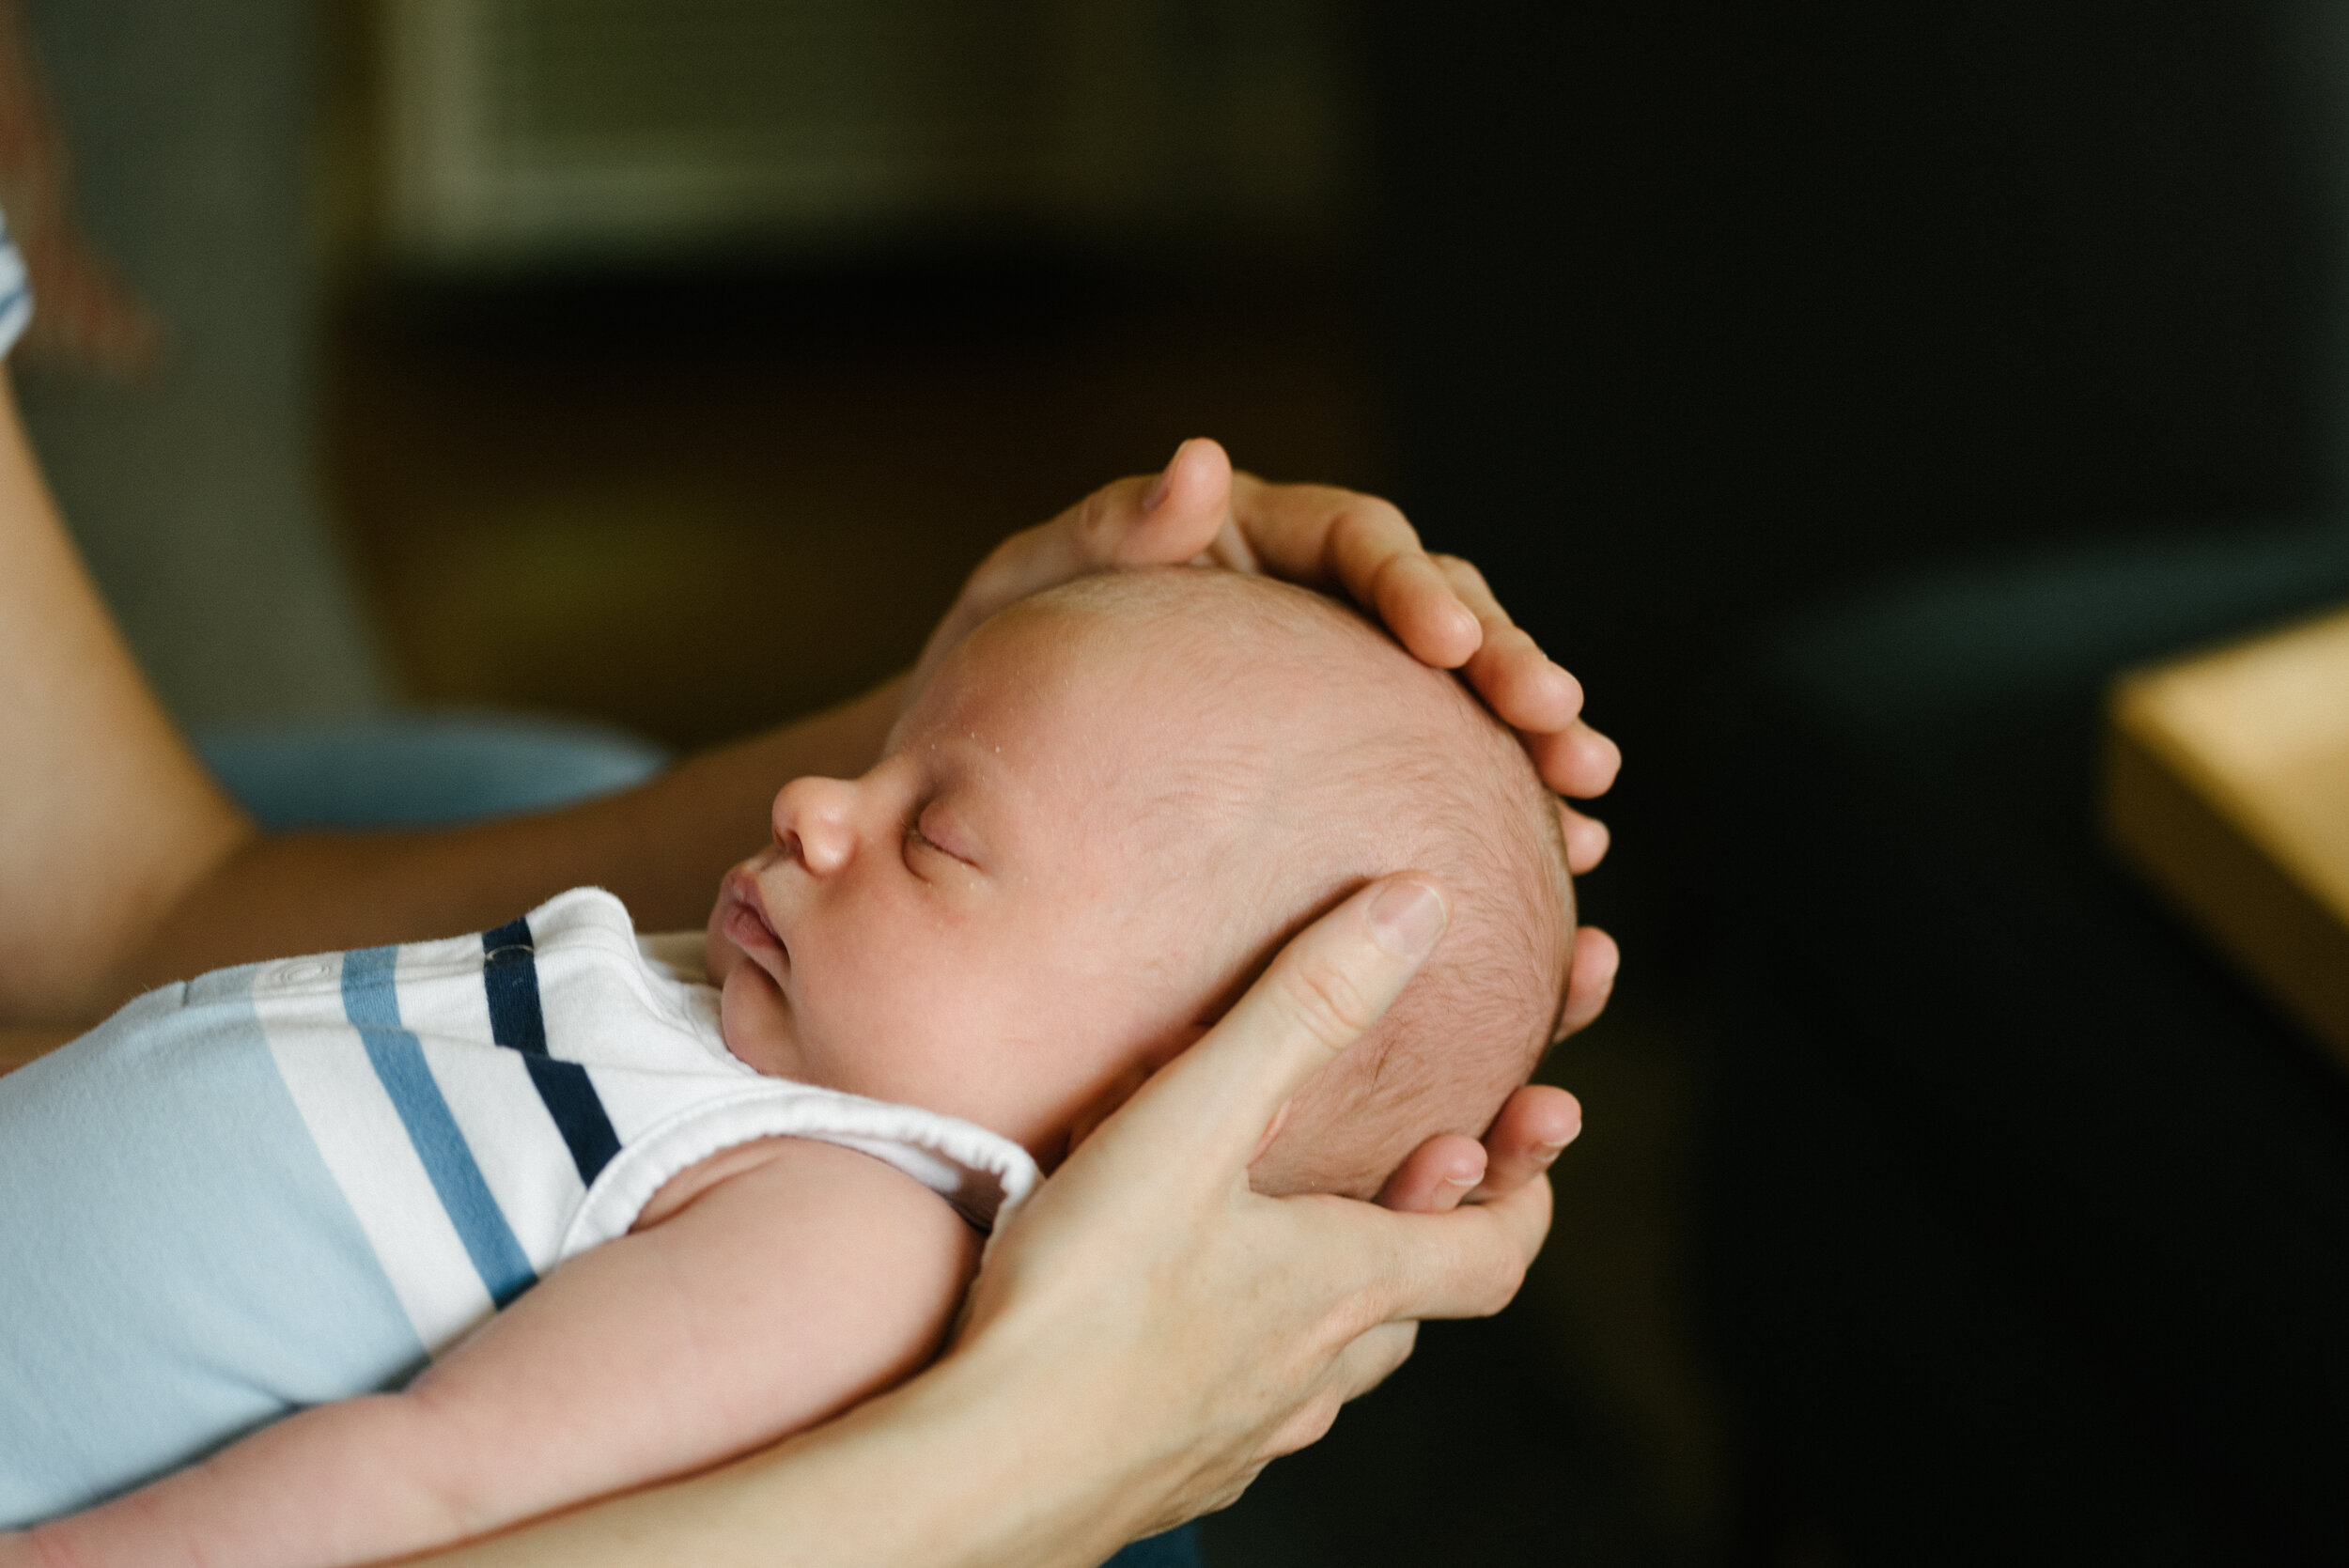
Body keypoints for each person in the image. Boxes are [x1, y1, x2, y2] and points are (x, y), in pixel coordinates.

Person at [0, 206, 1625, 1564]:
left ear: (1167, 1090)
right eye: (887, 757)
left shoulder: (840, 1244)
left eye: (935, 830)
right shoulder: (756, 1041)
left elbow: (427, 1482)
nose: (812, 798)